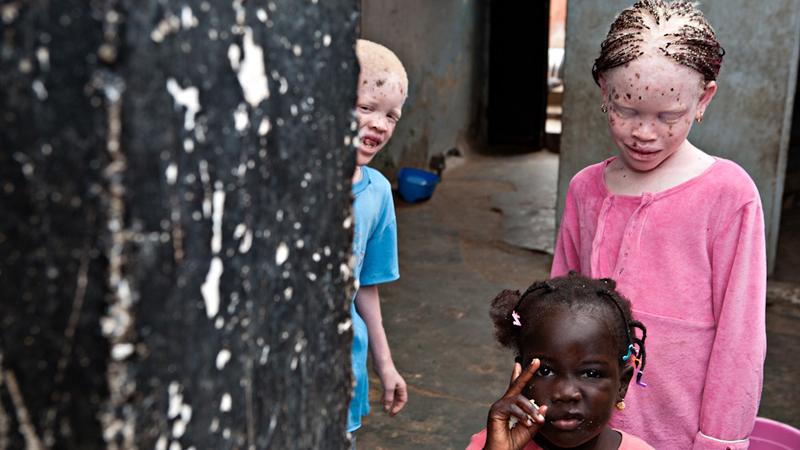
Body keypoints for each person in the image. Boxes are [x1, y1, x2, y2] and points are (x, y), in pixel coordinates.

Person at [551, 1, 767, 448]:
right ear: (603, 90)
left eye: (668, 115)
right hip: (590, 424)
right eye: (626, 109)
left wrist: (721, 439)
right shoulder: (585, 188)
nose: (644, 133)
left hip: (681, 429)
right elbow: (556, 307)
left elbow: (740, 335)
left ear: (703, 98)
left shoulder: (730, 194)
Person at [467, 273, 653, 450]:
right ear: (519, 377)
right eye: (545, 371)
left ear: (622, 384)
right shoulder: (492, 444)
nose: (565, 393)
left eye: (591, 373)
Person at [348, 39, 409, 444]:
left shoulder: (378, 192)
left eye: (392, 116)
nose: (381, 124)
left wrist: (384, 364)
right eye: (367, 108)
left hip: (344, 366)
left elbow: (365, 285)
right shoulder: (288, 190)